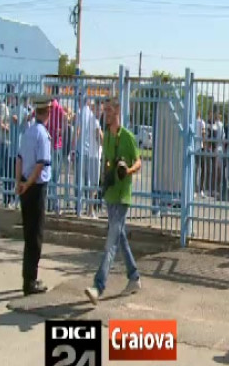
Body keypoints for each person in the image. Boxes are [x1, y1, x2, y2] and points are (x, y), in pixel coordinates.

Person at [85, 97, 142, 305]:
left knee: (110, 242)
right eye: (104, 110)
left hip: (122, 196)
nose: (105, 113)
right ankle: (134, 277)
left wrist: (128, 171)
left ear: (118, 111)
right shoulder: (107, 135)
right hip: (110, 194)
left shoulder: (127, 137)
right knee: (120, 238)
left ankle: (98, 286)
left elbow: (138, 161)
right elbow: (108, 161)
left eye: (109, 110)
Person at [15, 96, 53, 296]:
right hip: (36, 188)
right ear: (47, 112)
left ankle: (27, 277)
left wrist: (19, 183)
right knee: (35, 236)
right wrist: (29, 183)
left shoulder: (27, 132)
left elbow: (19, 159)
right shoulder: (43, 135)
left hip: (25, 186)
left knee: (28, 234)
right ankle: (30, 282)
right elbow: (41, 164)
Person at [75, 97, 102, 218]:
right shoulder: (95, 121)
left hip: (86, 153)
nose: (100, 112)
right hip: (94, 155)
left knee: (86, 182)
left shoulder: (87, 116)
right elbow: (100, 139)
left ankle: (83, 208)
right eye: (99, 109)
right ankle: (91, 210)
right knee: (94, 185)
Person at [0, 97, 12, 206]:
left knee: (3, 169)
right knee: (2, 169)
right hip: (2, 141)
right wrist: (9, 128)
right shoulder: (3, 107)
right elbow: (0, 124)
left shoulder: (5, 107)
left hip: (5, 141)